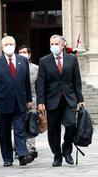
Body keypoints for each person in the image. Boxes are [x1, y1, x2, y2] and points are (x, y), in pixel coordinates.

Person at [36, 35, 84, 167]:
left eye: (56, 43)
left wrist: (80, 99)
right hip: (52, 101)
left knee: (71, 125)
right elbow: (40, 83)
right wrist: (40, 101)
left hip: (69, 99)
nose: (54, 46)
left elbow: (77, 80)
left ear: (63, 44)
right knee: (53, 130)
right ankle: (57, 155)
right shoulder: (44, 61)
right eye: (51, 43)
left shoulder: (72, 60)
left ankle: (67, 150)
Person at [0, 36, 34, 167]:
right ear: (2, 47)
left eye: (11, 43)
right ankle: (7, 158)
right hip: (2, 103)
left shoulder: (22, 60)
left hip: (20, 102)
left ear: (15, 45)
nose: (9, 46)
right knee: (5, 131)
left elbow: (26, 82)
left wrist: (29, 99)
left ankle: (22, 155)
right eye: (6, 44)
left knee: (19, 128)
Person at [18, 45, 39, 159]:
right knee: (18, 124)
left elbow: (38, 86)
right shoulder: (15, 67)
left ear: (29, 54)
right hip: (18, 100)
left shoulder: (36, 68)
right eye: (20, 52)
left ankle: (32, 148)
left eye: (24, 52)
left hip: (32, 100)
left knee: (30, 124)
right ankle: (19, 147)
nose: (22, 54)